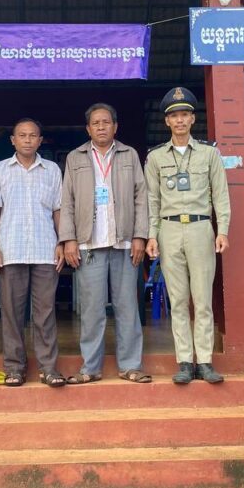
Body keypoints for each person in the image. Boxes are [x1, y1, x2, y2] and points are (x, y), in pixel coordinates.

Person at [60, 103, 151, 384]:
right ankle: (90, 367)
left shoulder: (129, 154)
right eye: (96, 123)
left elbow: (141, 196)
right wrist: (69, 239)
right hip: (89, 244)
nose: (101, 127)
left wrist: (140, 236)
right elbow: (67, 201)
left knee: (127, 307)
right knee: (92, 310)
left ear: (115, 126)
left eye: (106, 122)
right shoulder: (75, 157)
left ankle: (131, 365)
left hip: (124, 243)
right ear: (88, 129)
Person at [144, 87, 231, 385]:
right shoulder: (156, 157)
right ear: (167, 121)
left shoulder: (209, 154)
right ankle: (184, 361)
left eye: (184, 115)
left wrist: (223, 230)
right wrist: (152, 236)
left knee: (202, 299)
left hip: (200, 228)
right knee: (178, 299)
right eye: (174, 116)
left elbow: (221, 195)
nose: (179, 121)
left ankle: (204, 361)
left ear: (193, 119)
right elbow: (152, 200)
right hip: (169, 229)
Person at [0, 119, 66, 388]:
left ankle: (48, 367)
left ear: (40, 140)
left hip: (45, 250)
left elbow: (58, 210)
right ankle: (14, 368)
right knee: (12, 314)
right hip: (12, 250)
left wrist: (62, 242)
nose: (28, 140)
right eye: (22, 135)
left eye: (33, 136)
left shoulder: (52, 170)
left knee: (45, 313)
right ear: (13, 140)